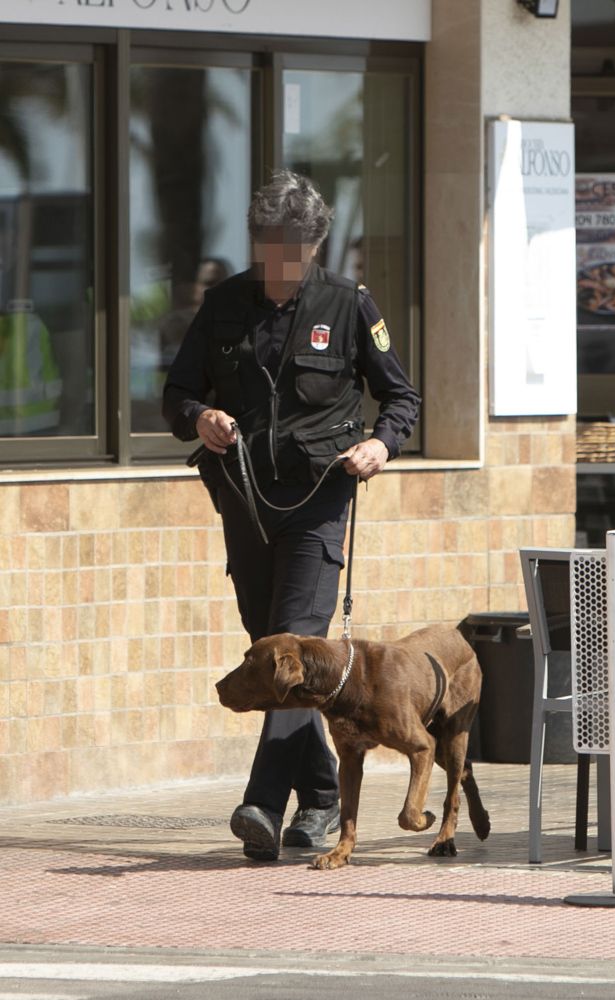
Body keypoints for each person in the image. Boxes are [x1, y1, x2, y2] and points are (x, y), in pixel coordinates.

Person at [162, 170, 420, 861]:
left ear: (313, 246)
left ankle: (262, 805)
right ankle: (325, 798)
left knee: (293, 648)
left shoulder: (349, 304)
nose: (277, 262)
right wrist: (201, 416)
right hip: (244, 501)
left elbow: (402, 399)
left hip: (318, 501)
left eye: (292, 250)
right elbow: (177, 393)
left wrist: (379, 445)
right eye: (268, 246)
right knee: (272, 649)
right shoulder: (223, 305)